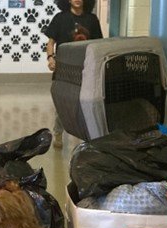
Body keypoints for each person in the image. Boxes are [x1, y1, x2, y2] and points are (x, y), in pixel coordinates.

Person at [45, 0, 103, 148]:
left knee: (86, 103)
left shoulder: (92, 20)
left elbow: (98, 45)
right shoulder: (60, 18)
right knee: (63, 104)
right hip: (64, 70)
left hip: (86, 69)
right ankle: (58, 132)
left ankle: (86, 136)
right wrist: (50, 58)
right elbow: (50, 42)